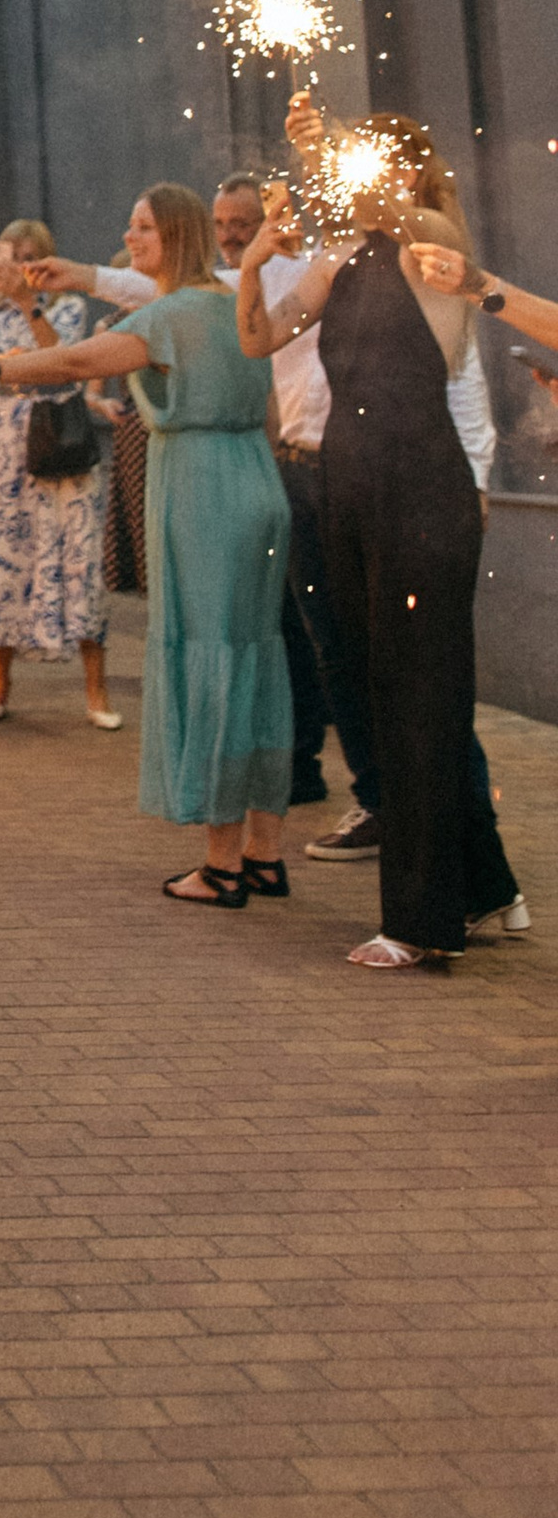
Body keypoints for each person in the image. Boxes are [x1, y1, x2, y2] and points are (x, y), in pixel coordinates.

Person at [0, 183, 292, 909]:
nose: (131, 238)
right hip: (256, 475)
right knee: (254, 655)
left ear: (177, 236)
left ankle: (221, 865)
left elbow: (73, 364)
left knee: (208, 655)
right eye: (129, 225)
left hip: (200, 489)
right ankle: (264, 853)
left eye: (145, 229)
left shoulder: (167, 316)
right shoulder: (234, 300)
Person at [238, 108, 520, 968]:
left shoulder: (426, 240)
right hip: (350, 487)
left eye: (359, 165)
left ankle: (421, 924)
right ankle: (485, 890)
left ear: (394, 171)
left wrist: (326, 149)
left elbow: (402, 216)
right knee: (381, 683)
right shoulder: (340, 259)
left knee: (420, 695)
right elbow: (260, 336)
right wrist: (254, 263)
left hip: (419, 487)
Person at [0, 224, 115, 728]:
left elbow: (64, 361)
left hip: (58, 436)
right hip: (8, 440)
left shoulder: (67, 306)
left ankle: (96, 692)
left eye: (31, 258)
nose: (22, 267)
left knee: (78, 557)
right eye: (14, 257)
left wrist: (28, 302)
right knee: (4, 559)